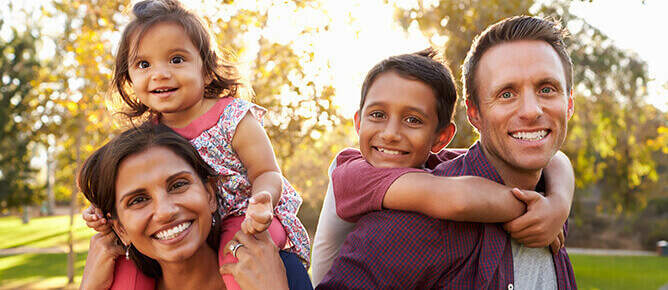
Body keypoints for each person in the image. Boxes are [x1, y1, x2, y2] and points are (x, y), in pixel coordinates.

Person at [318, 15, 577, 289]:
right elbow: (458, 200)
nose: (530, 111)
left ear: (569, 104)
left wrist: (557, 204)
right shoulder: (409, 223)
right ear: (474, 113)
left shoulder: (548, 201)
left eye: (547, 89)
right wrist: (533, 206)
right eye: (506, 94)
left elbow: (559, 159)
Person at [81, 0, 310, 289]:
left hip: (246, 218)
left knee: (238, 262)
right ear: (129, 79)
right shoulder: (148, 136)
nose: (160, 73)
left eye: (176, 59)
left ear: (206, 69)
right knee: (125, 269)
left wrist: (263, 199)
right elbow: (118, 191)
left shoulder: (233, 117)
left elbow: (266, 171)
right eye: (143, 64)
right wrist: (98, 213)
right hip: (190, 231)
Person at [78, 124, 312, 289]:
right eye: (138, 200)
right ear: (121, 229)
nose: (165, 211)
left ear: (210, 194)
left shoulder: (279, 272)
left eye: (178, 185)